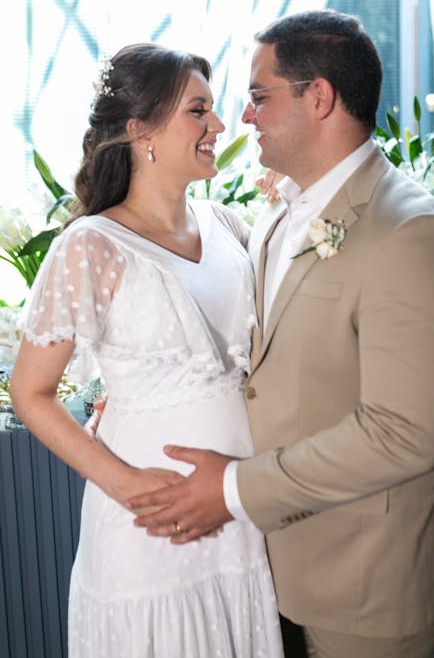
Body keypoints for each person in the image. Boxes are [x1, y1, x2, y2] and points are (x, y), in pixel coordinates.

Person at [127, 11, 434, 658]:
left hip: (364, 579)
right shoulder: (283, 207)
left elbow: (402, 434)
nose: (245, 117)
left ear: (319, 97)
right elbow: (266, 360)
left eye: (260, 96)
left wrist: (231, 490)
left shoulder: (413, 235)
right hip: (262, 568)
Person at [10, 43, 284, 658]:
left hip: (237, 519)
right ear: (142, 131)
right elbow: (29, 392)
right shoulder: (90, 246)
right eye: (199, 110)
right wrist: (129, 485)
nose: (218, 125)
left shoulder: (227, 226)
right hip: (149, 532)